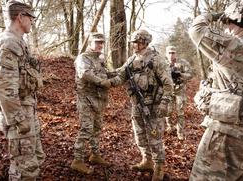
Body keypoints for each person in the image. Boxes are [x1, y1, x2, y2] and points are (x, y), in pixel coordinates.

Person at [188, 0, 243, 180]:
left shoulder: (238, 47)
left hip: (224, 136)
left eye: (228, 20)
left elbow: (196, 30)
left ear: (236, 19)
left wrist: (214, 15)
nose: (226, 25)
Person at [0, 0, 45, 180]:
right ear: (20, 17)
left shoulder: (17, 41)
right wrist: (19, 120)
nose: (32, 21)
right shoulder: (10, 43)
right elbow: (4, 86)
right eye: (30, 17)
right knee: (25, 169)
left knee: (32, 160)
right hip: (19, 115)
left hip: (25, 109)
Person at [109, 29, 173, 181]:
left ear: (145, 42)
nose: (134, 45)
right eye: (133, 42)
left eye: (137, 42)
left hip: (154, 106)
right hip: (136, 105)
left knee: (154, 137)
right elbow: (120, 75)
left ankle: (159, 166)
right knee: (140, 135)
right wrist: (105, 79)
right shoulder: (132, 60)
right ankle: (147, 160)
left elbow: (168, 84)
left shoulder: (157, 59)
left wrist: (164, 103)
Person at [71, 32, 112, 174]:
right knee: (86, 129)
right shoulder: (83, 58)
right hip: (85, 99)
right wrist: (103, 82)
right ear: (90, 43)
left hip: (98, 99)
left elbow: (107, 73)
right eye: (97, 42)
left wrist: (119, 73)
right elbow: (85, 74)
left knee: (97, 128)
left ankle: (95, 155)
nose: (100, 45)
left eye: (102, 43)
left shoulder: (99, 59)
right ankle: (77, 160)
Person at [164, 46, 192, 140]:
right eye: (169, 53)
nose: (171, 55)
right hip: (168, 90)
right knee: (168, 111)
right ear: (166, 54)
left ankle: (180, 132)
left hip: (180, 90)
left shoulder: (183, 63)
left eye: (173, 53)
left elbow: (190, 75)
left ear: (176, 53)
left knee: (180, 112)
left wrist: (180, 74)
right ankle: (170, 126)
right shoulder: (163, 64)